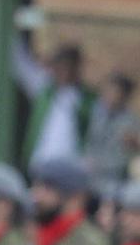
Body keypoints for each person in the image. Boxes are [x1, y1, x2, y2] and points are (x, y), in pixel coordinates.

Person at [14, 40, 93, 171]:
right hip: (41, 162)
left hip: (71, 166)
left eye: (69, 67)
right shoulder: (44, 90)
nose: (64, 72)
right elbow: (19, 61)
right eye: (60, 66)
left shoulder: (87, 98)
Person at [81, 72, 139, 192]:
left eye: (115, 93)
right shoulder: (97, 114)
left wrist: (98, 164)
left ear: (125, 96)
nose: (109, 96)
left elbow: (122, 158)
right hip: (87, 176)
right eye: (107, 91)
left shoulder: (130, 122)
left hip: (110, 181)